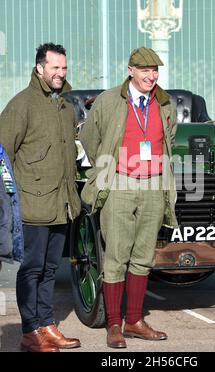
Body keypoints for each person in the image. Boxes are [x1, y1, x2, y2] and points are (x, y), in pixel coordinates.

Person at [80, 47, 178, 348]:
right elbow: (88, 138)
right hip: (119, 182)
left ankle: (134, 321)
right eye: (145, 70)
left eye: (155, 70)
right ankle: (113, 325)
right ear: (130, 70)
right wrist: (108, 164)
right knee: (116, 256)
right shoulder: (109, 101)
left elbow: (168, 138)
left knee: (143, 256)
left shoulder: (164, 102)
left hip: (153, 184)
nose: (151, 75)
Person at [0, 43, 81, 352]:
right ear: (39, 68)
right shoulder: (22, 105)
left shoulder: (65, 107)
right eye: (54, 68)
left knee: (49, 270)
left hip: (61, 203)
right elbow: (2, 154)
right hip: (32, 205)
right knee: (30, 269)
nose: (60, 73)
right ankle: (29, 330)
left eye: (63, 67)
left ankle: (47, 326)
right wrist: (9, 200)